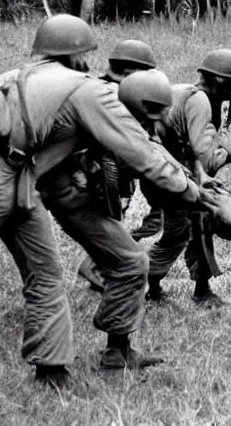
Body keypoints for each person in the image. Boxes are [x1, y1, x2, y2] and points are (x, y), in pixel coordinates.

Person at [0, 14, 206, 377]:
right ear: (78, 54)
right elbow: (141, 152)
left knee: (45, 272)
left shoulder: (33, 76)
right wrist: (193, 192)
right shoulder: (85, 90)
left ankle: (53, 370)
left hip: (18, 175)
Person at [38, 69, 196, 370]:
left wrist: (191, 179)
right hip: (52, 190)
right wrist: (194, 193)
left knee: (131, 261)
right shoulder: (109, 120)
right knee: (43, 276)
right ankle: (53, 368)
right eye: (151, 115)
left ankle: (117, 352)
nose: (154, 124)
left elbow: (152, 150)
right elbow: (149, 163)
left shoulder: (119, 116)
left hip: (64, 191)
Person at [146, 49, 231, 306]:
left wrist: (202, 177)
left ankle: (200, 287)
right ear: (219, 80)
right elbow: (208, 158)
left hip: (170, 168)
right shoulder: (201, 101)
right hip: (167, 173)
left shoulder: (187, 92)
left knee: (198, 224)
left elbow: (186, 146)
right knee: (177, 234)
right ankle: (142, 283)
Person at [75, 39, 162, 290]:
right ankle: (93, 267)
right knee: (110, 220)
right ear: (131, 72)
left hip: (119, 167)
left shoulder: (117, 91)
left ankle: (99, 270)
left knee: (114, 217)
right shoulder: (109, 94)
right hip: (103, 167)